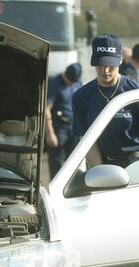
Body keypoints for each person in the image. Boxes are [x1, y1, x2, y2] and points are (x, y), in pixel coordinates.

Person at [72, 34, 139, 168]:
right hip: (98, 162)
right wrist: (99, 173)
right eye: (100, 64)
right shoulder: (81, 96)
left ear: (120, 60)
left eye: (110, 65)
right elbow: (86, 141)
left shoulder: (134, 92)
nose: (105, 70)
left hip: (133, 163)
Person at [45, 63, 82, 178]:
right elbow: (46, 109)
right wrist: (50, 134)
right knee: (56, 162)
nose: (71, 83)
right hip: (59, 127)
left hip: (74, 126)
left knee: (73, 162)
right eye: (70, 81)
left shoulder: (78, 82)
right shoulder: (55, 82)